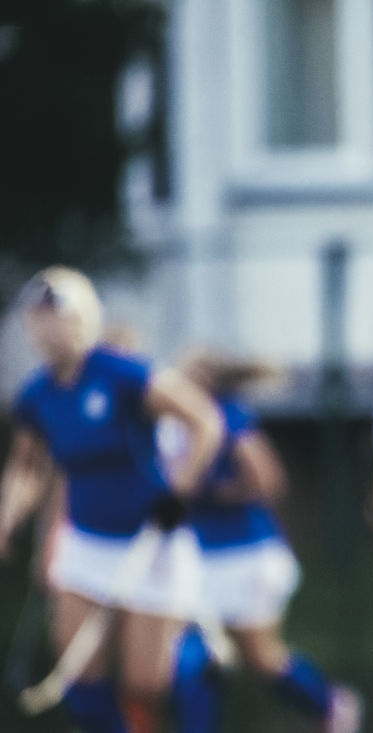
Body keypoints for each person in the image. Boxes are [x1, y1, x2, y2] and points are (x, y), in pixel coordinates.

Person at [0, 266, 225, 733]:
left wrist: (180, 492)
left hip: (148, 540)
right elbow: (27, 468)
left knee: (145, 683)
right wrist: (7, 520)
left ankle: (194, 655)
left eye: (56, 313)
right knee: (79, 674)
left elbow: (204, 421)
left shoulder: (123, 374)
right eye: (37, 317)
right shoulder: (37, 396)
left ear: (82, 317)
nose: (46, 326)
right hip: (86, 543)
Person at [156, 348, 363, 733]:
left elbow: (267, 480)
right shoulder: (169, 425)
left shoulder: (227, 416)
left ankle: (330, 705)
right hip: (198, 557)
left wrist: (209, 491)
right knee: (194, 656)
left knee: (259, 658)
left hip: (246, 553)